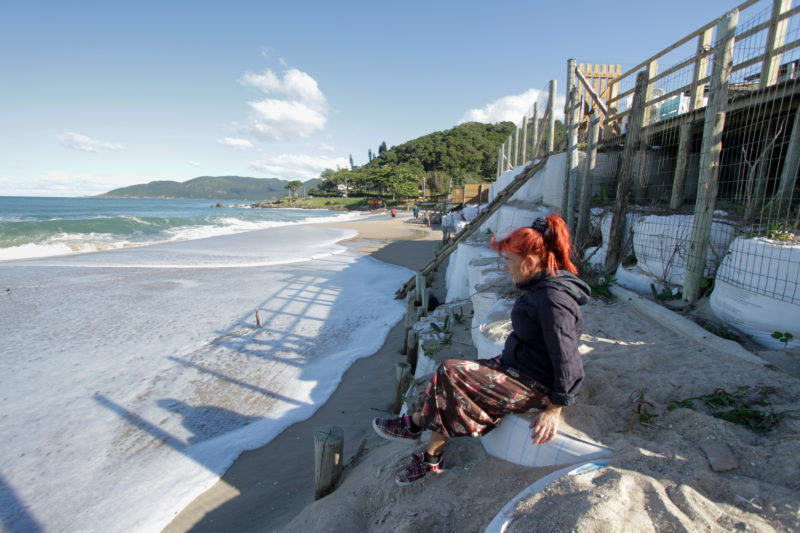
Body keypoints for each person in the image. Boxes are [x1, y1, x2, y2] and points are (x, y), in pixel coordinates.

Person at [372, 214, 590, 486]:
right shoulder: (540, 288)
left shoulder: (552, 300)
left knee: (451, 372)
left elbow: (568, 358)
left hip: (535, 386)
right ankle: (426, 451)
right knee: (446, 375)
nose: (506, 268)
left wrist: (555, 409)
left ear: (530, 262)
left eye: (509, 261)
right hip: (519, 369)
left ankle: (416, 429)